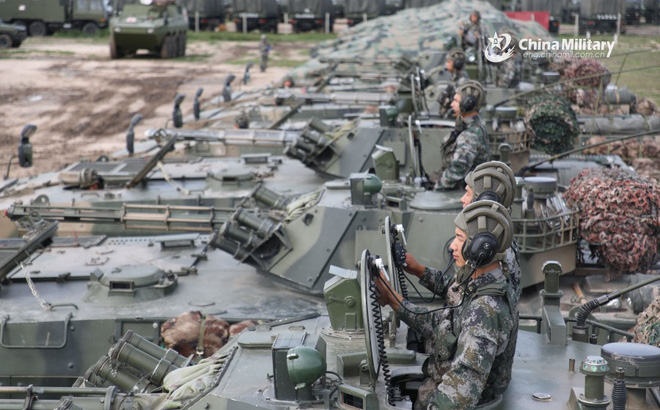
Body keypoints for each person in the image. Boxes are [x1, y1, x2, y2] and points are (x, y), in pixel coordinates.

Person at [375, 200, 518, 409]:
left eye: (459, 238)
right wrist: (396, 298)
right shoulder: (481, 281)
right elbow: (444, 324)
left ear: (480, 249)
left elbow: (460, 393)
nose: (452, 246)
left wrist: (393, 299)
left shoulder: (484, 310)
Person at [409, 161, 522, 304]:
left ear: (483, 200)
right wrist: (418, 270)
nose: (462, 199)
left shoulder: (491, 256)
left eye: (467, 193)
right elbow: (457, 290)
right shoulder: (497, 238)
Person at [435, 80, 489, 190]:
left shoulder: (470, 134)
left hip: (464, 191)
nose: (452, 104)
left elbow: (457, 170)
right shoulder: (469, 125)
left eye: (456, 101)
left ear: (467, 104)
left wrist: (438, 188)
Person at [438, 48, 469, 118]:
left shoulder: (462, 81)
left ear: (457, 64)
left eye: (449, 62)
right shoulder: (455, 78)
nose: (446, 65)